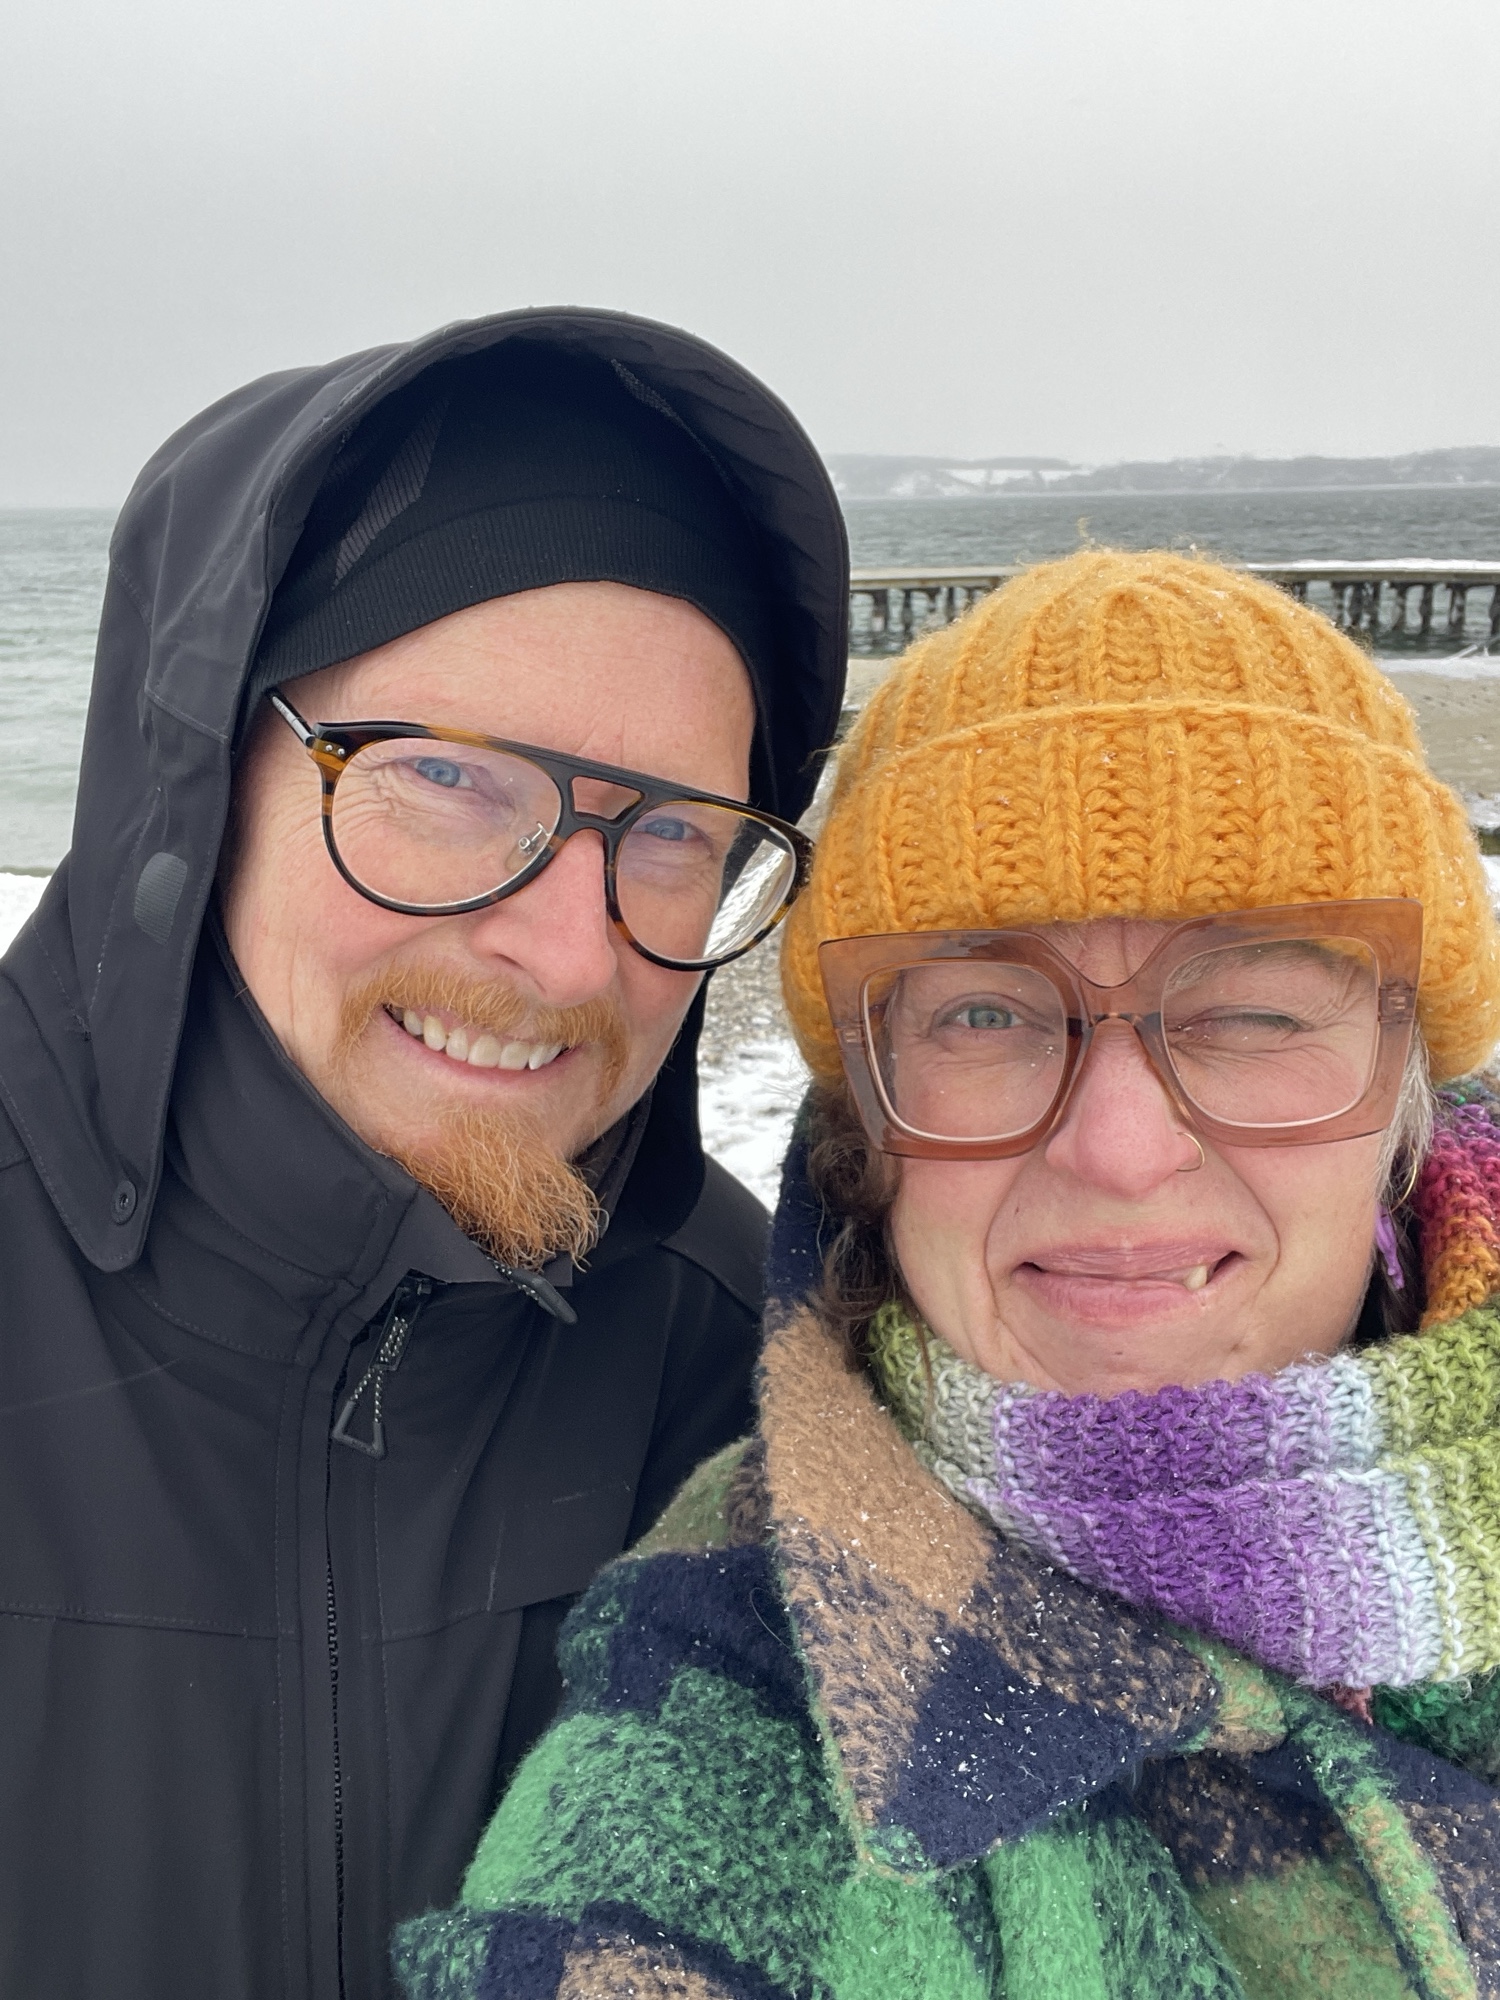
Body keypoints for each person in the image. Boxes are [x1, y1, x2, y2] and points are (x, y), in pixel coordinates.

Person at [396, 551, 1500, 2000]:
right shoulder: (723, 1713)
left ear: (1407, 1086)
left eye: (1252, 1009)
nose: (1119, 1151)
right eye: (985, 1013)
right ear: (867, 1123)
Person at [0, 310, 847, 1999]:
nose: (570, 952)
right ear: (196, 777)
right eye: (450, 777)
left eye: (674, 833)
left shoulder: (741, 1374)